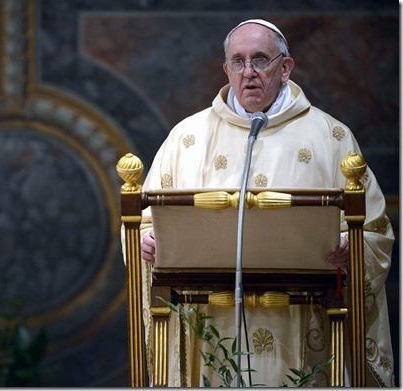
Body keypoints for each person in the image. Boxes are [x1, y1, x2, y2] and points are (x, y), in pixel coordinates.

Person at [136, 19, 395, 387]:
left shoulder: (331, 137)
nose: (249, 73)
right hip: (211, 329)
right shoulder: (187, 138)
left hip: (302, 327)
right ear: (226, 69)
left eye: (260, 60)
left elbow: (374, 230)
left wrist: (351, 247)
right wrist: (149, 241)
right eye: (238, 62)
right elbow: (147, 222)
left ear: (286, 68)